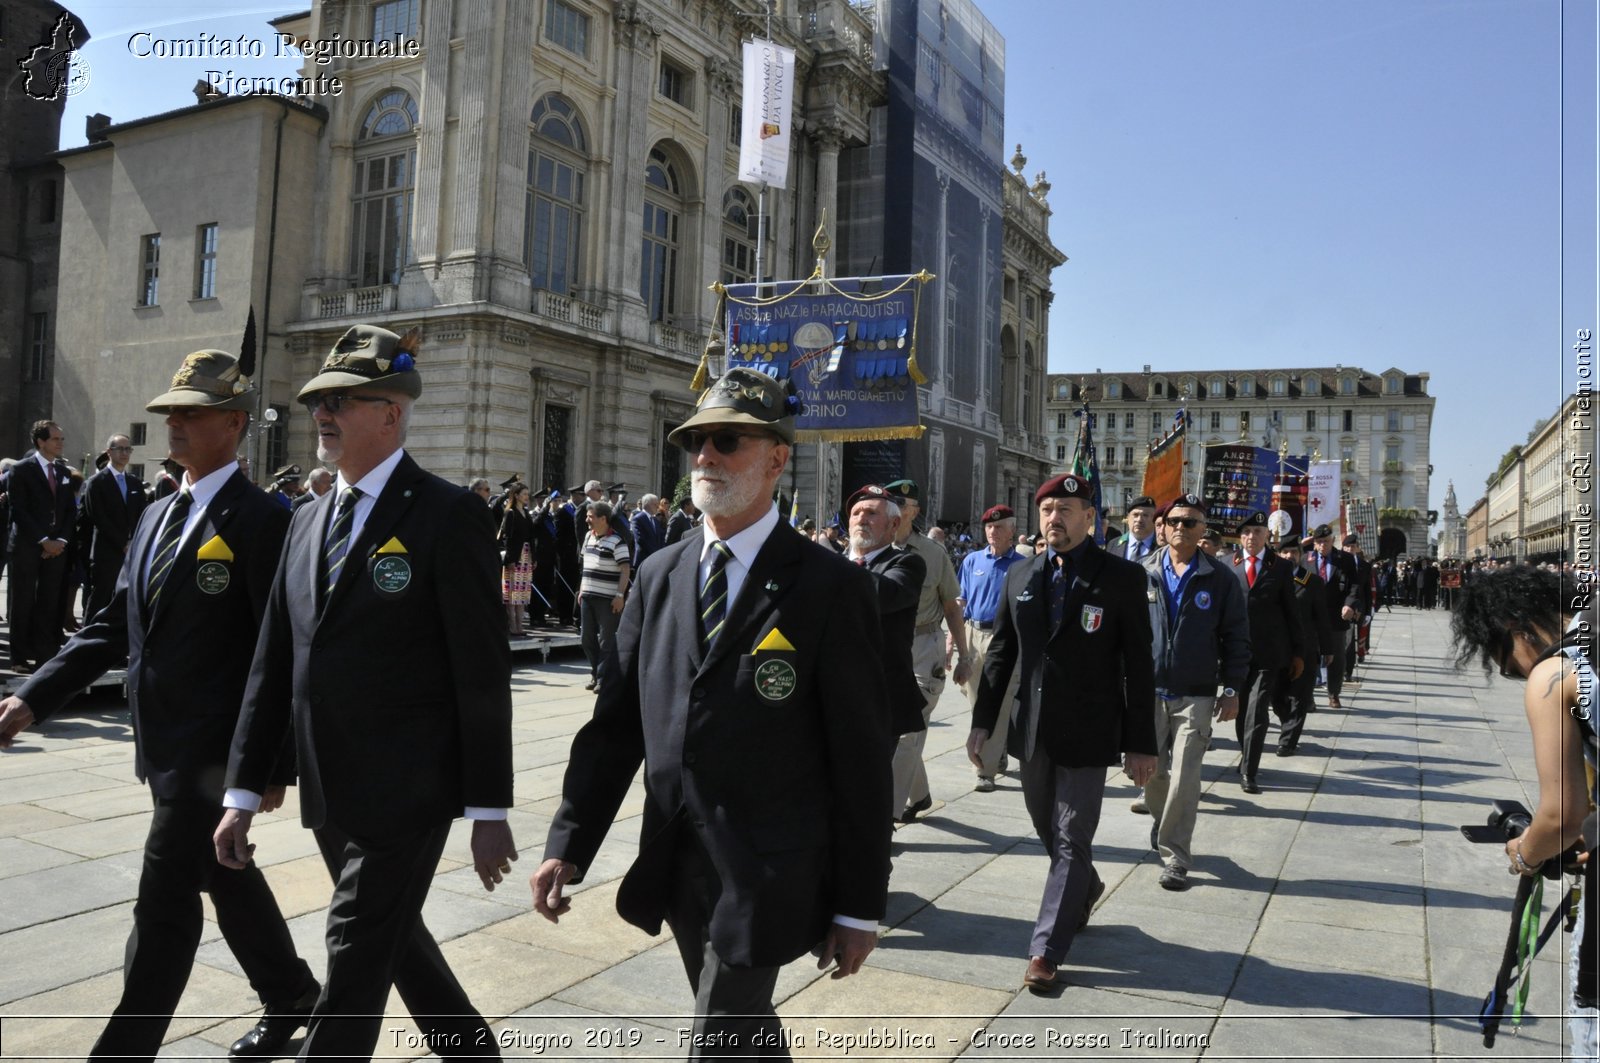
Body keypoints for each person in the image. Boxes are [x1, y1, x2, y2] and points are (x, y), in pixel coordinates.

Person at [533, 367, 891, 1058]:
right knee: (746, 1034)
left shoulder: (831, 587)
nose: (704, 457)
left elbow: (861, 758)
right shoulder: (662, 574)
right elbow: (615, 727)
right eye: (695, 441)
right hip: (678, 861)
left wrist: (858, 903)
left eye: (727, 441)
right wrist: (568, 844)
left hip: (771, 871)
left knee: (716, 1041)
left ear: (777, 457)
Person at [0, 350, 321, 1060]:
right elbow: (112, 625)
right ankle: (292, 990)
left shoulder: (265, 518)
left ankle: (121, 1052)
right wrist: (30, 699)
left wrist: (270, 765)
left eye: (193, 411)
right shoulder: (155, 514)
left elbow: (287, 648)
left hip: (217, 751)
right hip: (162, 746)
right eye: (171, 410)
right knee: (221, 872)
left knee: (164, 906)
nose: (175, 423)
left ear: (235, 423)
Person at [214, 324, 515, 1060]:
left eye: (345, 400)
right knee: (394, 938)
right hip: (328, 787)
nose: (324, 411)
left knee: (351, 947)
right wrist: (242, 791)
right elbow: (274, 662)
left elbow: (480, 670)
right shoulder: (306, 520)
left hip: (409, 789)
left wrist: (488, 808)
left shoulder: (446, 514)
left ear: (392, 412)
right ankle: (473, 1050)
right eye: (321, 398)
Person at [967, 472, 1157, 992]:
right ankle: (1087, 886)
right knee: (1046, 827)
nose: (1055, 518)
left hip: (1091, 731)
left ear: (1090, 517)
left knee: (1073, 835)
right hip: (1033, 730)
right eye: (1048, 509)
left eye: (1068, 509)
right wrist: (984, 722)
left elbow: (1138, 665)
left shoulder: (1119, 578)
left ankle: (1045, 950)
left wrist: (1142, 742)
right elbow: (1003, 654)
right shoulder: (1020, 575)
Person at [1451, 566, 1597, 1056]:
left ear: (1519, 629)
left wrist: (1525, 852)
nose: (1515, 674)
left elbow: (1561, 817)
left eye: (1507, 662)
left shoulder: (1556, 673)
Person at [1138, 494, 1249, 889]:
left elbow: (1237, 637)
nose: (1182, 528)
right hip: (1148, 689)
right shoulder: (1140, 572)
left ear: (1204, 531)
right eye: (1175, 521)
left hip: (1197, 693)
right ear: (1162, 526)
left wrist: (1232, 689)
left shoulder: (1220, 579)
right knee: (1152, 773)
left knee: (1186, 775)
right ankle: (1161, 821)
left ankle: (1175, 855)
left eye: (1191, 522)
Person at [883, 478, 969, 822]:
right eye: (891, 504)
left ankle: (883, 818)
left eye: (904, 506)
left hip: (923, 646)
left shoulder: (934, 553)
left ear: (915, 511)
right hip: (885, 645)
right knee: (894, 729)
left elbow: (952, 606)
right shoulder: (873, 547)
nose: (897, 511)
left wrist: (964, 654)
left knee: (906, 734)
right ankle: (919, 794)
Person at [844, 483, 928, 813]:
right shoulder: (833, 563)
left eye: (872, 513)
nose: (861, 519)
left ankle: (871, 851)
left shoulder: (906, 563)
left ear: (894, 525)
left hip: (878, 697)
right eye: (856, 513)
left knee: (866, 785)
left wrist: (830, 569)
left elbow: (885, 595)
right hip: (830, 692)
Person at [1230, 510, 1307, 790]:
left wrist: (1298, 652)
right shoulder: (1228, 564)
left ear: (1267, 536)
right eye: (1247, 532)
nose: (1252, 537)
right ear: (1240, 536)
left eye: (1258, 533)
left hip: (1269, 653)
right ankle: (1246, 753)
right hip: (1235, 653)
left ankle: (1250, 771)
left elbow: (1291, 612)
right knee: (1240, 711)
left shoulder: (1281, 567)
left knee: (1258, 709)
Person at [957, 504, 1026, 792]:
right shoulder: (973, 561)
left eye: (998, 527)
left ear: (1012, 531)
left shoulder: (1022, 565)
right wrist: (955, 643)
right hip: (974, 634)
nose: (992, 532)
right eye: (988, 527)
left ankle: (984, 770)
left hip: (1005, 640)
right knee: (976, 701)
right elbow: (962, 602)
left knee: (1000, 700)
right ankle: (994, 752)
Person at [7, 420, 75, 672]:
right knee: (23, 601)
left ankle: (45, 655)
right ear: (41, 442)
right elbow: (19, 511)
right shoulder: (22, 470)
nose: (61, 443)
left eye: (61, 439)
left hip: (57, 547)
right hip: (28, 545)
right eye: (56, 439)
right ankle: (19, 657)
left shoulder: (63, 472)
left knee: (49, 601)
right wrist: (43, 540)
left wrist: (60, 541)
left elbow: (69, 511)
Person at [1273, 536, 1334, 756]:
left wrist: (1327, 649)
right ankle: (1287, 723)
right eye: (1285, 552)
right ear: (1278, 555)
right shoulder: (1270, 579)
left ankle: (1287, 741)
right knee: (1276, 695)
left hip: (1305, 649)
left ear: (1300, 555)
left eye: (1294, 552)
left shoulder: (1313, 582)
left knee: (1299, 696)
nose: (1290, 556)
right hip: (1277, 649)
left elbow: (1322, 619)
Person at [80, 435, 147, 623]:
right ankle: (87, 643)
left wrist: (134, 541)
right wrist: (121, 543)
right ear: (109, 452)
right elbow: (99, 518)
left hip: (132, 550)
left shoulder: (134, 482)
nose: (125, 453)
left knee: (125, 599)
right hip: (106, 551)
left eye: (128, 449)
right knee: (100, 597)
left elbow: (141, 514)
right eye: (121, 449)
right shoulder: (96, 482)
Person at [578, 499, 630, 691]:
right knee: (586, 638)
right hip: (588, 596)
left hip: (608, 599)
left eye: (590, 516)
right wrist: (582, 589)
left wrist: (619, 595)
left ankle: (603, 678)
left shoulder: (617, 540)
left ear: (603, 519)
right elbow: (585, 565)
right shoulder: (588, 537)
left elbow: (625, 569)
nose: (587, 520)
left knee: (606, 640)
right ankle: (595, 672)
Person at [1309, 524, 1362, 708]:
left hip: (1336, 617)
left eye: (1326, 541)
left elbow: (1355, 585)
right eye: (1319, 542)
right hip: (1311, 619)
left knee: (1336, 658)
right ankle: (1308, 697)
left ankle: (1333, 693)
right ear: (1314, 543)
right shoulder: (1306, 560)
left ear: (1332, 541)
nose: (1322, 545)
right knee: (1310, 657)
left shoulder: (1345, 559)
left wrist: (1349, 604)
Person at [499, 480, 535, 636]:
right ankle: (512, 626)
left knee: (523, 592)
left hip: (526, 554)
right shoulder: (511, 512)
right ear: (516, 495)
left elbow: (531, 536)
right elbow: (508, 537)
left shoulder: (527, 513)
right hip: (515, 555)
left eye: (527, 494)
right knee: (512, 592)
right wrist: (510, 559)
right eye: (524, 494)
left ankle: (520, 626)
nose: (527, 497)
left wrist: (534, 557)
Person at [1343, 533, 1374, 672]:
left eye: (1352, 546)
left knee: (1350, 639)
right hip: (1341, 606)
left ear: (1357, 548)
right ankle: (1341, 668)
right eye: (1347, 546)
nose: (1350, 549)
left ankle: (1347, 671)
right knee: (1342, 640)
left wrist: (1368, 611)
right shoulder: (1337, 561)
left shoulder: (1364, 566)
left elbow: (1367, 590)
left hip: (1358, 607)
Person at [1108, 496, 1157, 562]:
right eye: (1135, 515)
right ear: (1128, 518)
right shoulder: (1113, 544)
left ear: (1155, 519)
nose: (1139, 520)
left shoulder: (1163, 546)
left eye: (1145, 515)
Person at [630, 492, 666, 571]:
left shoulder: (655, 520)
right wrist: (655, 553)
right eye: (655, 504)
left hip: (656, 560)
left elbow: (660, 538)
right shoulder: (638, 518)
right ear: (647, 504)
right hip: (643, 560)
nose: (658, 506)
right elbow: (640, 539)